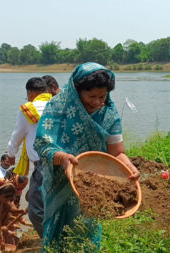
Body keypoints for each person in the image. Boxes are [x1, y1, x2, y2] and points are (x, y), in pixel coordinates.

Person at [34, 62, 141, 248]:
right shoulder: (58, 107)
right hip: (60, 184)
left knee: (87, 238)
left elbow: (117, 152)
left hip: (93, 186)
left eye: (102, 96)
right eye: (91, 96)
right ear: (77, 91)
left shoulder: (109, 114)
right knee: (58, 239)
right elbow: (43, 144)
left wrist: (128, 167)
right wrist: (64, 158)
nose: (97, 102)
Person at [5, 77, 53, 237]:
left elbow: (18, 134)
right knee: (54, 203)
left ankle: (51, 241)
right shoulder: (58, 104)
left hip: (44, 165)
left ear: (30, 92)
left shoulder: (29, 108)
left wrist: (11, 154)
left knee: (36, 211)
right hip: (64, 161)